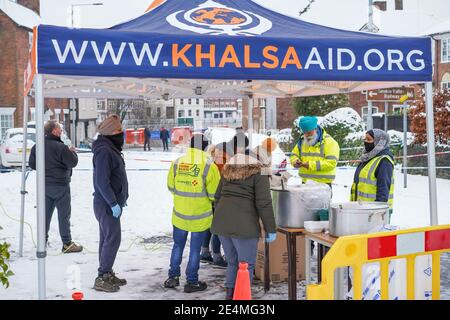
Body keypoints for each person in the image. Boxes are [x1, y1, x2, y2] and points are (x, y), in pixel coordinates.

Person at [211, 148, 277, 300]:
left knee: (233, 262)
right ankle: (242, 297)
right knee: (246, 266)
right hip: (244, 227)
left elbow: (217, 197)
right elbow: (264, 203)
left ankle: (230, 294)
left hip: (221, 224)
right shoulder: (259, 172)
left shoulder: (228, 169)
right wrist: (270, 229)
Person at [165, 134, 221, 293]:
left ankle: (173, 277)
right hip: (200, 217)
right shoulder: (209, 165)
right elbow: (214, 194)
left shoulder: (177, 162)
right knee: (195, 250)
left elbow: (171, 186)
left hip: (180, 215)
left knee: (177, 246)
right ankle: (192, 281)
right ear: (205, 147)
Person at [29, 120, 81, 253]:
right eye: (59, 128)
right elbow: (73, 162)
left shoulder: (37, 146)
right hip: (61, 186)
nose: (61, 131)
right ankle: (67, 244)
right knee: (64, 215)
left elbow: (33, 164)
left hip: (44, 186)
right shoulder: (62, 147)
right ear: (54, 131)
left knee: (44, 215)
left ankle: (42, 241)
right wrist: (73, 152)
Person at [92, 115, 129, 293]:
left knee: (107, 238)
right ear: (111, 133)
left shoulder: (109, 148)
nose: (122, 134)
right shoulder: (104, 151)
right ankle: (102, 276)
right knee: (113, 238)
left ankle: (106, 272)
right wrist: (114, 202)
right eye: (119, 131)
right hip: (106, 204)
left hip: (108, 203)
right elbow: (101, 181)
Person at [200, 142, 232, 268]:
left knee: (210, 226)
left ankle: (205, 252)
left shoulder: (210, 159)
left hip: (209, 197)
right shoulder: (223, 160)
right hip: (218, 196)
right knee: (219, 228)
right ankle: (217, 256)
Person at [351, 129, 394, 216]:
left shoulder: (384, 161)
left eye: (369, 139)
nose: (365, 142)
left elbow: (383, 190)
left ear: (379, 142)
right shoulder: (367, 158)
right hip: (362, 209)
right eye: (365, 139)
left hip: (374, 213)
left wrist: (377, 212)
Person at [290, 116, 340, 188]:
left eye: (309, 132)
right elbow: (293, 154)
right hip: (305, 184)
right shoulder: (302, 141)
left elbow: (331, 163)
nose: (307, 135)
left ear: (315, 129)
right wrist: (295, 161)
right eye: (305, 132)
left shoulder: (330, 142)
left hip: (323, 185)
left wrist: (310, 165)